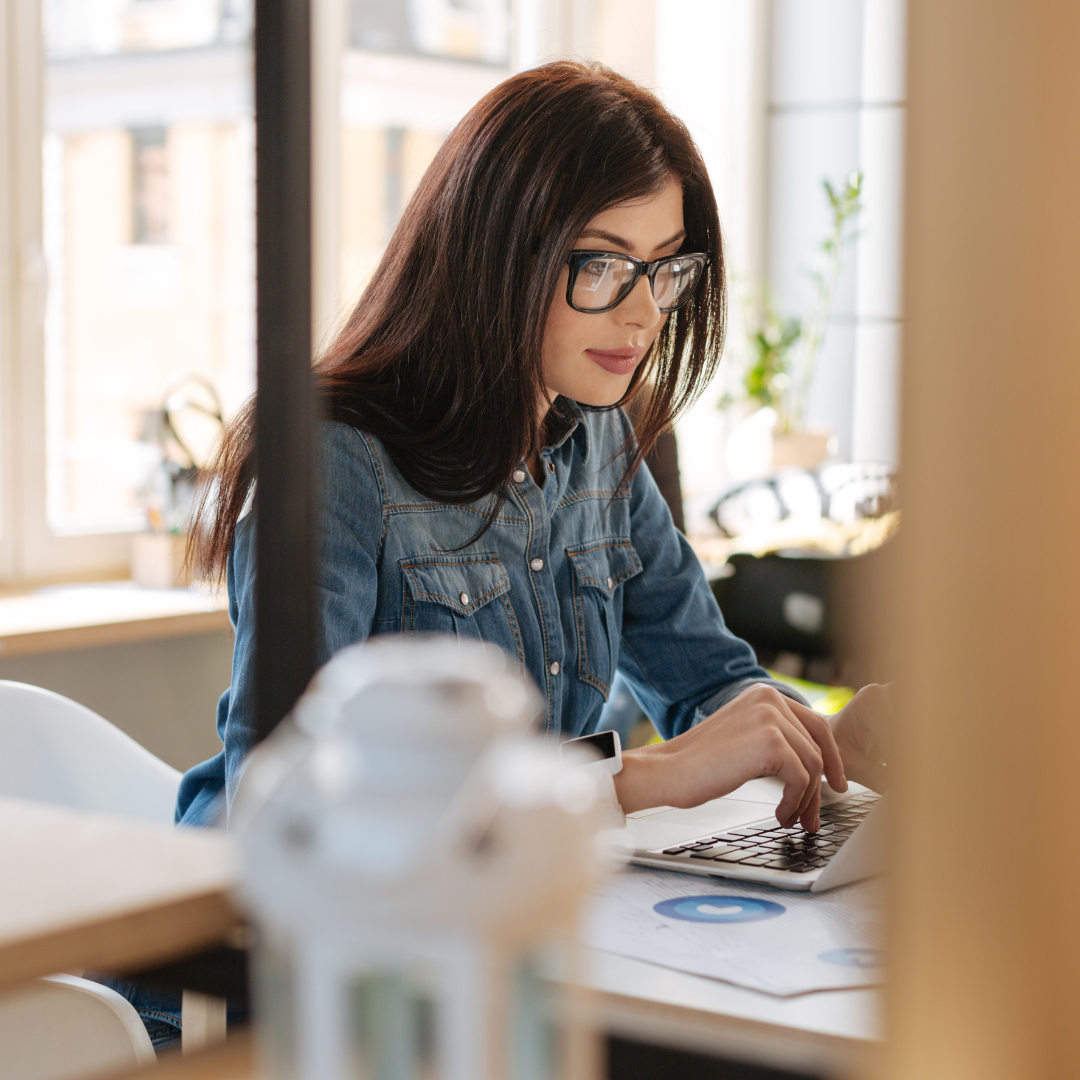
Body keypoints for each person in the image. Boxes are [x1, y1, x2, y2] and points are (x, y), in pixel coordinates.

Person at [178, 59, 888, 840]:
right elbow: (284, 801)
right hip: (283, 936)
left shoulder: (601, 438)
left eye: (665, 269)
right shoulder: (335, 461)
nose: (644, 313)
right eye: (604, 264)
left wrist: (827, 744)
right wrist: (638, 777)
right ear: (496, 255)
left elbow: (712, 686)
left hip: (499, 901)